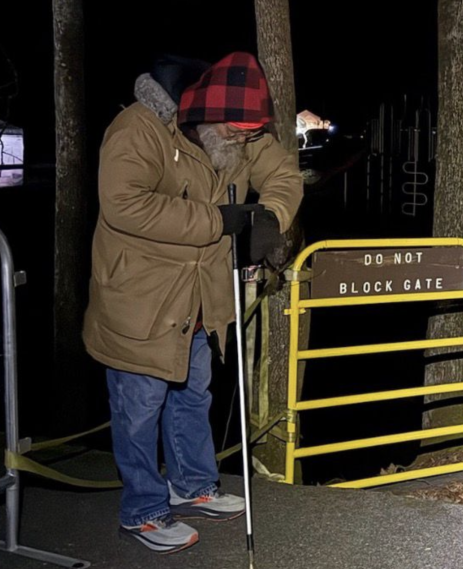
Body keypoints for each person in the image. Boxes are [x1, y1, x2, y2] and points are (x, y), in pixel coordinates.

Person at [82, 52, 303, 554]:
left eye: (251, 133)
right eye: (236, 131)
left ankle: (193, 485)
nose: (244, 141)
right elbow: (123, 204)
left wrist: (269, 215)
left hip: (204, 297)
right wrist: (219, 222)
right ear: (204, 111)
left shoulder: (239, 134)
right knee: (139, 407)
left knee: (192, 396)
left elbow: (284, 174)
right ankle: (142, 511)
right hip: (141, 298)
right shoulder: (137, 129)